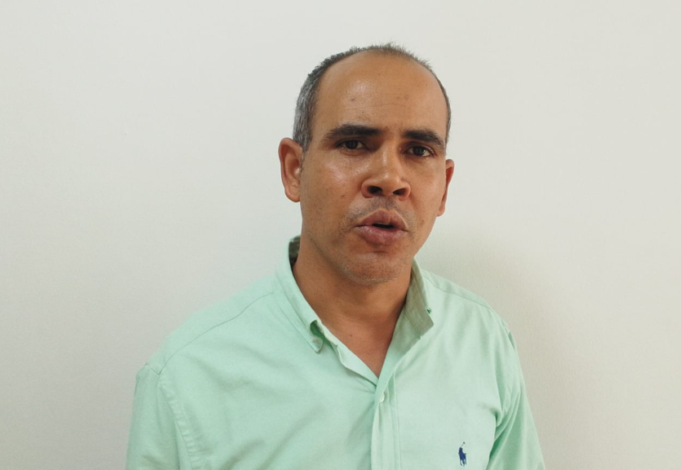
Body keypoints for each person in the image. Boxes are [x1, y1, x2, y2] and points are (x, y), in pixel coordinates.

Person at [126, 43, 545, 469]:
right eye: (354, 143)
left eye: (418, 151)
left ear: (444, 187)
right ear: (294, 169)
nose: (390, 179)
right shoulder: (188, 377)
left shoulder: (484, 342)